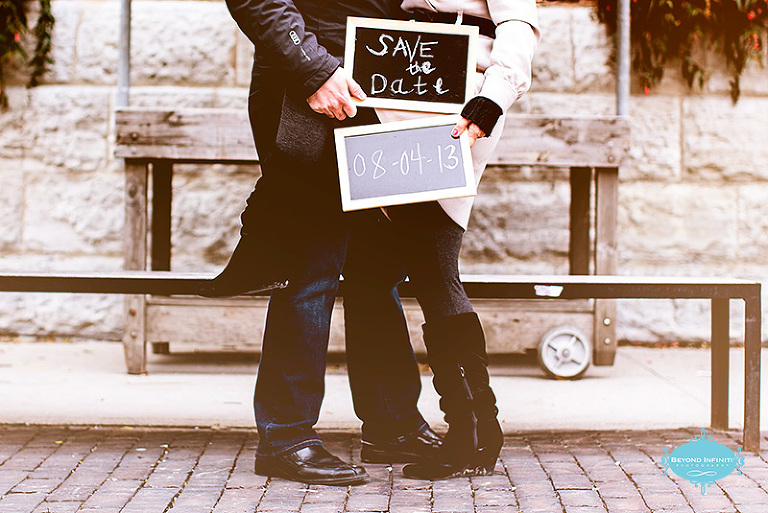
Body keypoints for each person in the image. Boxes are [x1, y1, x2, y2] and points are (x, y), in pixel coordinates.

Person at [198, 0, 441, 486]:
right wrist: (313, 68)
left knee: (380, 267)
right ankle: (285, 437)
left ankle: (392, 424)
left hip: (387, 80)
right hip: (310, 87)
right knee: (310, 263)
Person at [368, 0, 541, 480]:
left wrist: (491, 101)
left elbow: (519, 23)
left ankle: (472, 427)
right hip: (401, 82)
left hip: (458, 97)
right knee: (424, 265)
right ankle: (474, 426)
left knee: (433, 262)